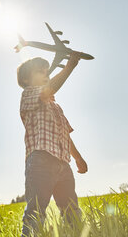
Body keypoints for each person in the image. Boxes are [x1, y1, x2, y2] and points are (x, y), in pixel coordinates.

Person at [17, 52, 88, 236]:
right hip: (40, 160)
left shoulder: (55, 106)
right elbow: (48, 90)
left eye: (47, 72)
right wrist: (69, 67)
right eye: (40, 72)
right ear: (26, 78)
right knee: (36, 210)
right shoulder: (28, 95)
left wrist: (78, 158)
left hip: (63, 163)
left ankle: (76, 233)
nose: (46, 74)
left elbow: (66, 133)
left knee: (71, 209)